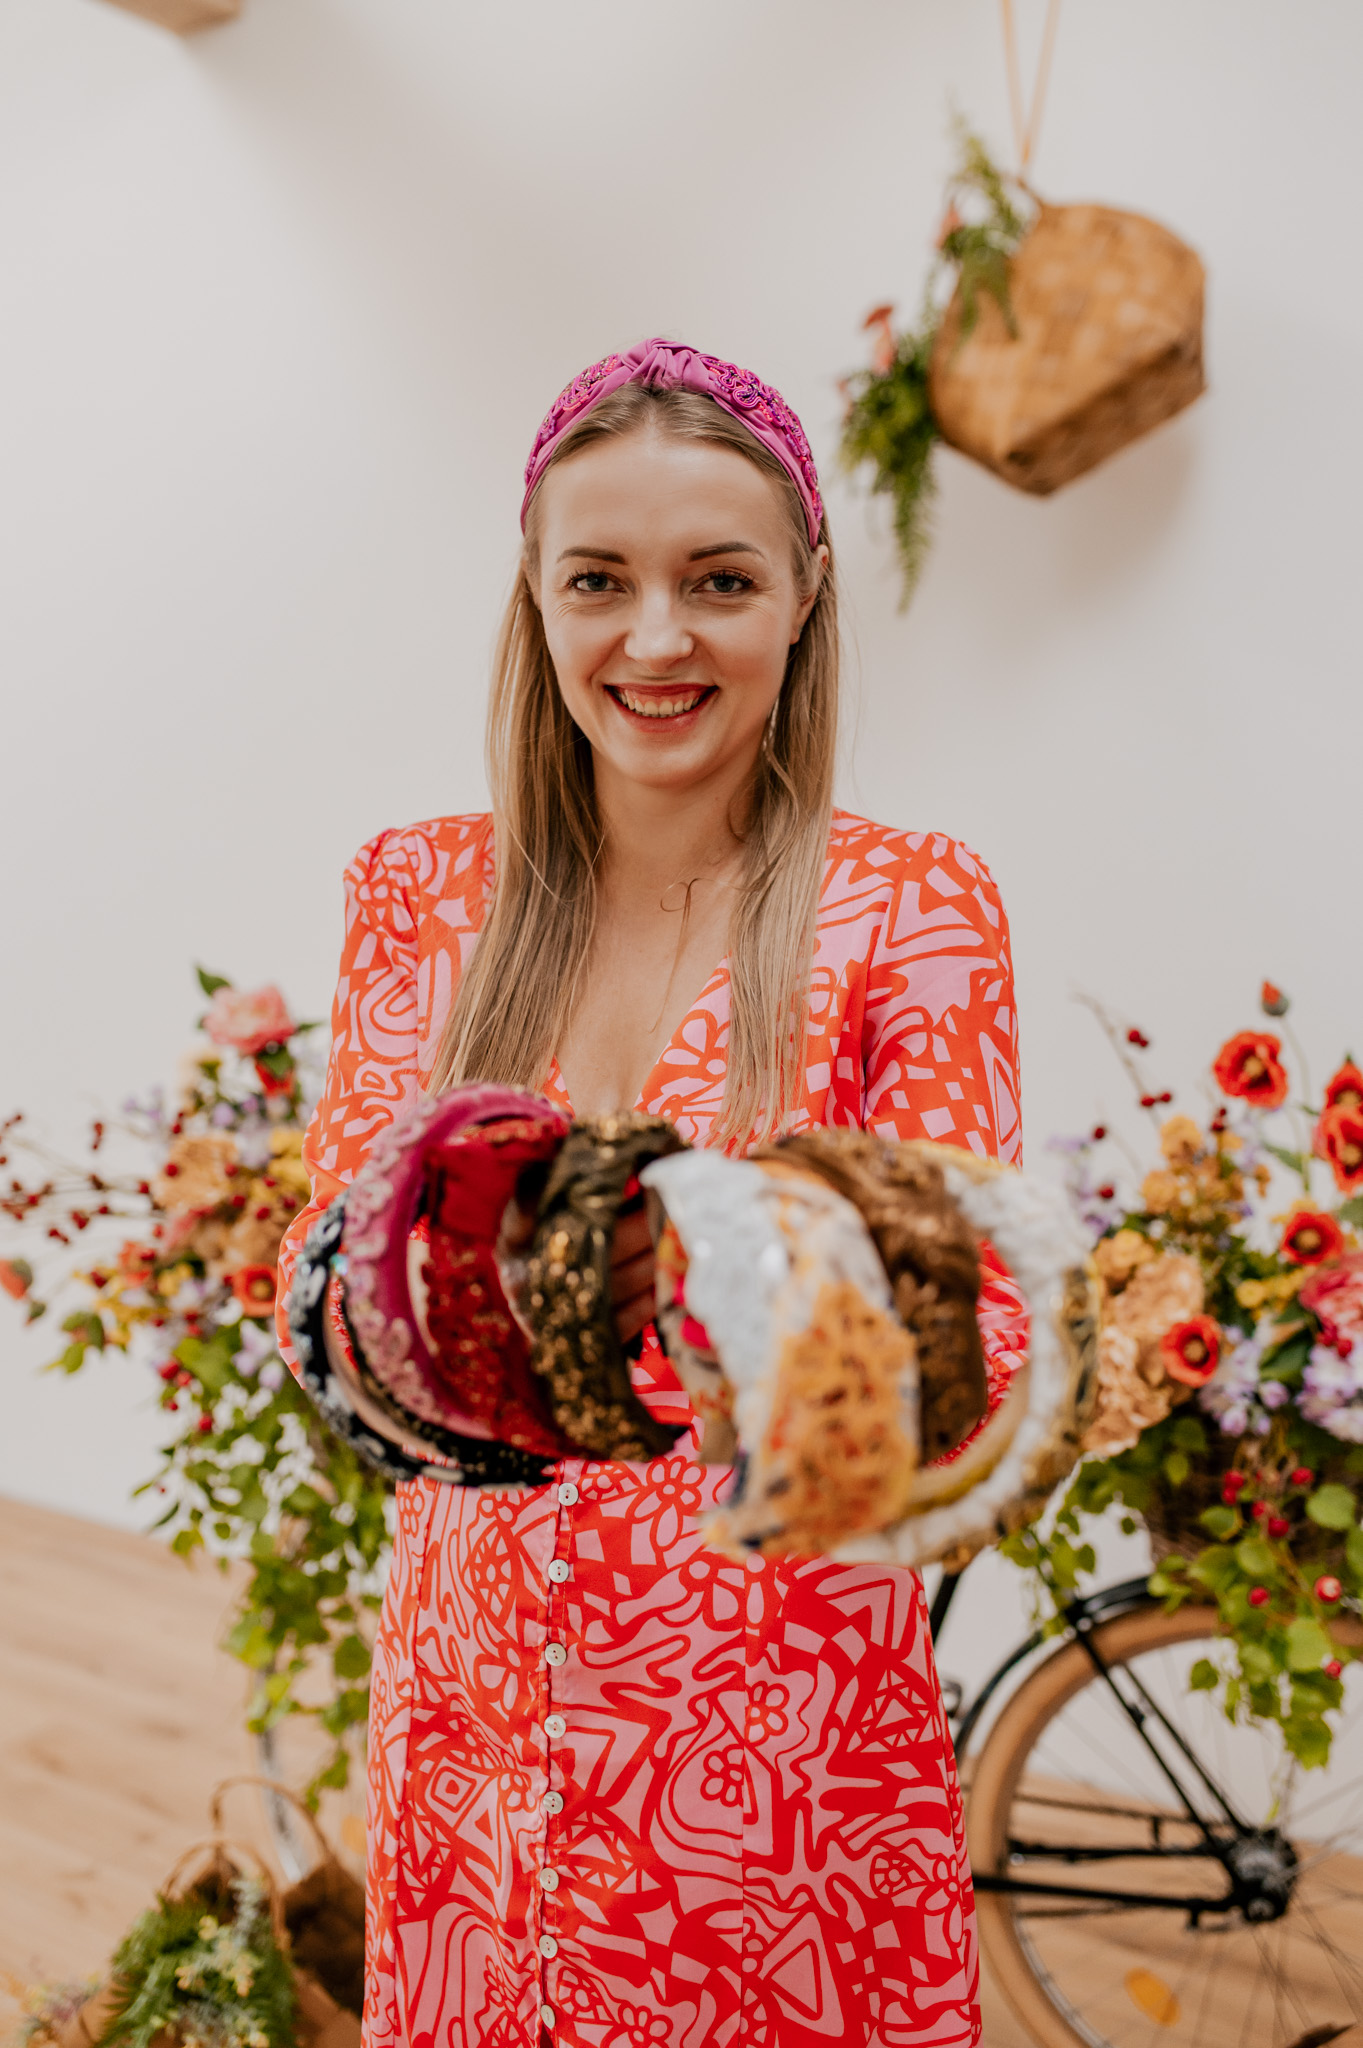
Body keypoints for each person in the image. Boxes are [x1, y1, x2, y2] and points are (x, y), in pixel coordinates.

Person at [277, 338, 1025, 2048]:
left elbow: (972, 1346)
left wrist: (683, 1286)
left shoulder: (911, 912)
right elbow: (334, 1288)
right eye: (600, 579)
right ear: (537, 597)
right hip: (476, 1721)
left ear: (805, 595)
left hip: (776, 1752)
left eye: (721, 580)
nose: (658, 637)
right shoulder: (422, 895)